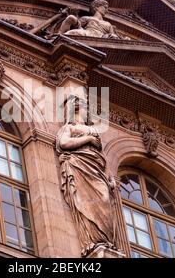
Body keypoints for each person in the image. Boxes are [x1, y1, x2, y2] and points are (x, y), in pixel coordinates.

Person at [55, 95, 118, 257]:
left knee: (104, 199)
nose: (87, 113)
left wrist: (110, 178)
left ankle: (106, 242)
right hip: (79, 165)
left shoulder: (94, 130)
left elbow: (103, 157)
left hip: (97, 170)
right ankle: (94, 242)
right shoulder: (68, 127)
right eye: (85, 109)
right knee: (85, 203)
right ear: (75, 110)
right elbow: (63, 143)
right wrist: (88, 138)